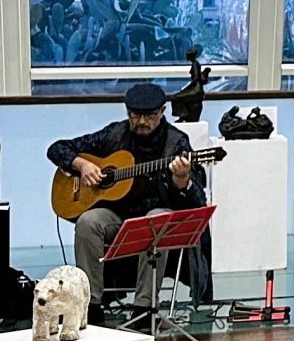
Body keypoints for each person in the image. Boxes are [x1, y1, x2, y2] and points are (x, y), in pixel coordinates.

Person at [46, 83, 202, 303]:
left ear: (162, 113)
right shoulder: (115, 133)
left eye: (149, 116)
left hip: (153, 218)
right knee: (88, 221)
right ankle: (90, 304)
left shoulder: (176, 142)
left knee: (156, 219)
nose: (141, 122)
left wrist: (181, 180)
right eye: (134, 115)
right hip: (118, 217)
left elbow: (196, 201)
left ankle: (144, 308)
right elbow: (56, 148)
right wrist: (82, 165)